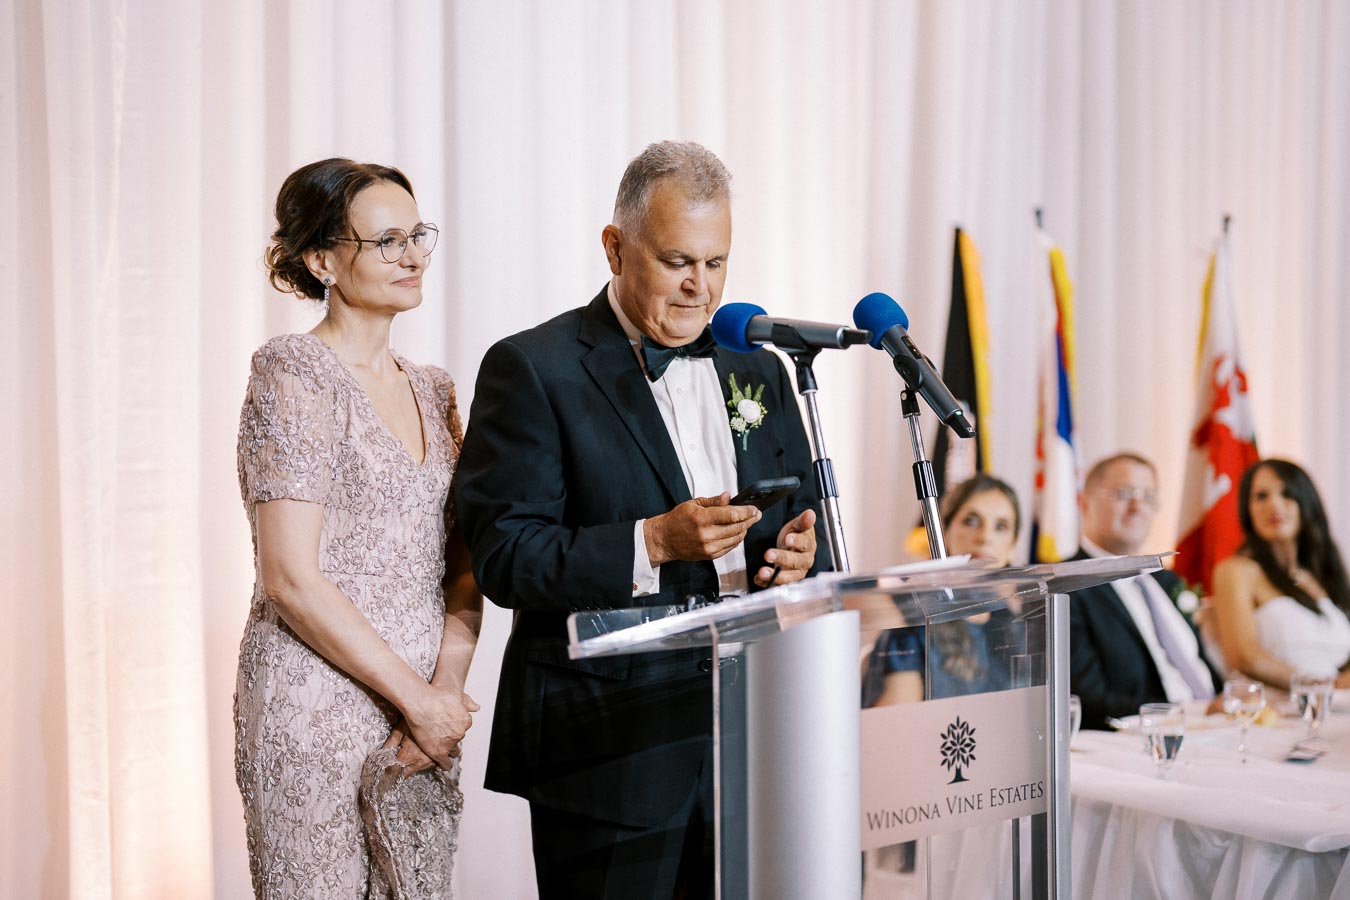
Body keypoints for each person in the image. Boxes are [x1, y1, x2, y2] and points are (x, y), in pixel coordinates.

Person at [453, 140, 826, 899]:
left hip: (751, 742)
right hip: (608, 752)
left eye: (717, 263)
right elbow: (504, 557)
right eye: (677, 261)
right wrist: (652, 541)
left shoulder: (758, 366)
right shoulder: (533, 368)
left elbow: (789, 524)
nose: (702, 289)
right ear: (616, 248)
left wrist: (799, 556)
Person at [234, 158, 482, 897]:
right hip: (314, 706)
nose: (414, 256)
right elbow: (289, 577)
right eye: (386, 241)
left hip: (424, 718)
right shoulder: (295, 372)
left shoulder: (437, 388)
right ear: (322, 261)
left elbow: (465, 561)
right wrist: (418, 696)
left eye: (418, 234)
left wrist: (444, 693)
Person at [1068, 453, 1221, 729]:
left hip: (1214, 727)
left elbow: (1197, 662)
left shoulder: (1167, 582)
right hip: (1138, 738)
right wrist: (1185, 713)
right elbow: (1086, 699)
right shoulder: (1066, 586)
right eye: (1124, 493)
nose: (1138, 506)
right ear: (1085, 502)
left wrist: (1228, 699)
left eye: (1149, 497)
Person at [867, 474, 1025, 708]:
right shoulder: (912, 619)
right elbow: (893, 728)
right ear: (945, 533)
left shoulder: (1014, 622)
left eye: (1001, 526)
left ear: (1012, 545)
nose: (984, 537)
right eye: (971, 521)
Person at [1211, 459, 1350, 689]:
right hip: (1279, 710)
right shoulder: (1237, 571)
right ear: (1247, 509)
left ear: (1306, 503)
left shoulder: (1322, 575)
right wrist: (1321, 688)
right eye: (1261, 496)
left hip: (1338, 706)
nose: (1275, 505)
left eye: (1287, 494)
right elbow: (1245, 657)